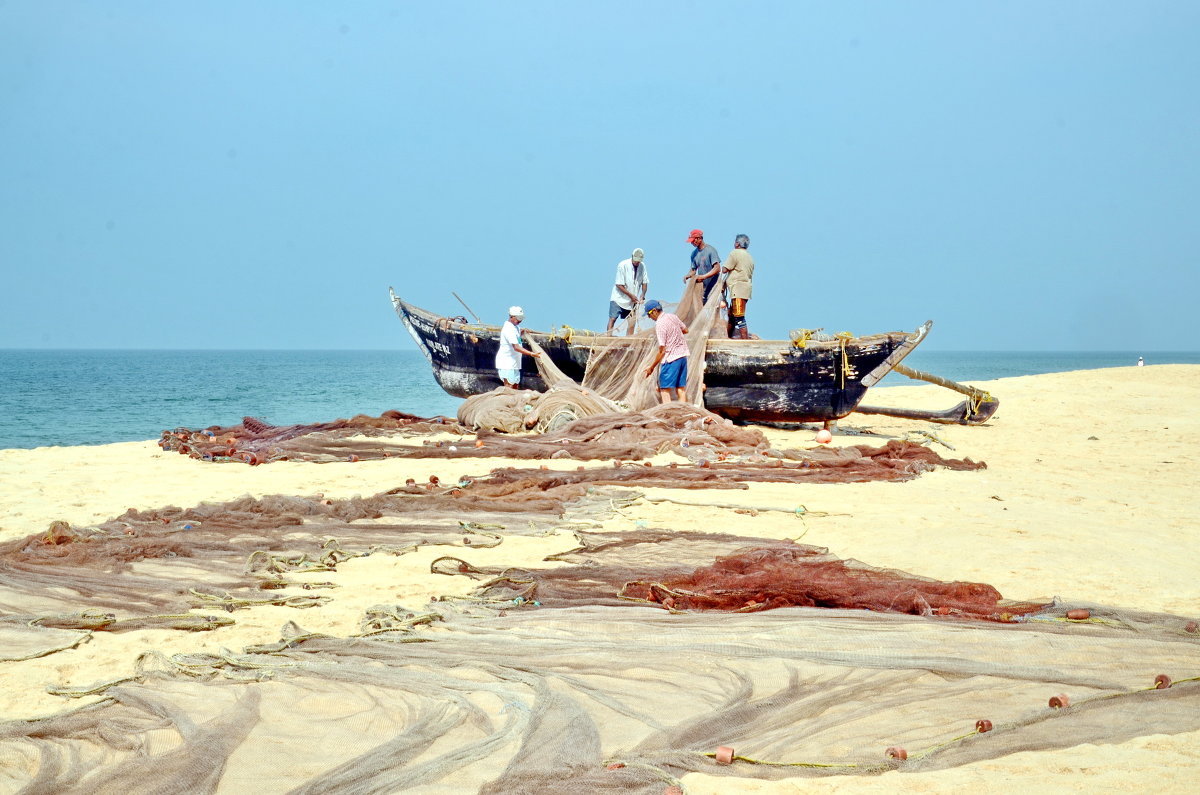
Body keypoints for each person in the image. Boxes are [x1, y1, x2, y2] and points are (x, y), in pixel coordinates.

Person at [641, 299, 689, 403]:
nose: (649, 317)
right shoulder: (673, 317)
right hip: (683, 357)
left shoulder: (660, 324)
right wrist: (674, 334)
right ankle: (684, 412)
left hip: (671, 359)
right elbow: (685, 330)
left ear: (654, 311)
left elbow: (662, 351)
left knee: (664, 390)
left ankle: (667, 413)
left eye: (649, 314)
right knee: (680, 389)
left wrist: (651, 367)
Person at [607, 247, 649, 335]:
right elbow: (619, 284)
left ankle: (628, 340)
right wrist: (631, 296)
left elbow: (645, 282)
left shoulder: (642, 266)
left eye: (639, 261)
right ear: (632, 257)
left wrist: (642, 295)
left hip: (632, 300)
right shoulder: (622, 265)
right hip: (618, 298)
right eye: (636, 260)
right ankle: (608, 336)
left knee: (632, 321)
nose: (637, 262)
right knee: (613, 318)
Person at [495, 306, 539, 388]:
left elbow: (516, 336)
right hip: (507, 364)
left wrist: (523, 332)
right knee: (509, 387)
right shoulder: (508, 329)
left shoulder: (515, 327)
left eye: (521, 318)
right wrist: (531, 354)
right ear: (512, 317)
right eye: (518, 318)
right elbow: (516, 347)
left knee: (515, 386)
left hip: (515, 363)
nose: (520, 320)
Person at [723, 233, 755, 339]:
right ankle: (728, 338)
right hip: (745, 289)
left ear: (737, 243)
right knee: (732, 316)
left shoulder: (735, 253)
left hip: (738, 289)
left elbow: (725, 269)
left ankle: (744, 340)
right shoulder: (749, 256)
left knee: (739, 316)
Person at [682, 229, 722, 305]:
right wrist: (688, 275)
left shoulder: (710, 250)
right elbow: (693, 270)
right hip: (703, 288)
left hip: (715, 286)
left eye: (693, 240)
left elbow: (717, 268)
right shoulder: (694, 254)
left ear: (699, 238)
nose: (692, 242)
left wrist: (704, 276)